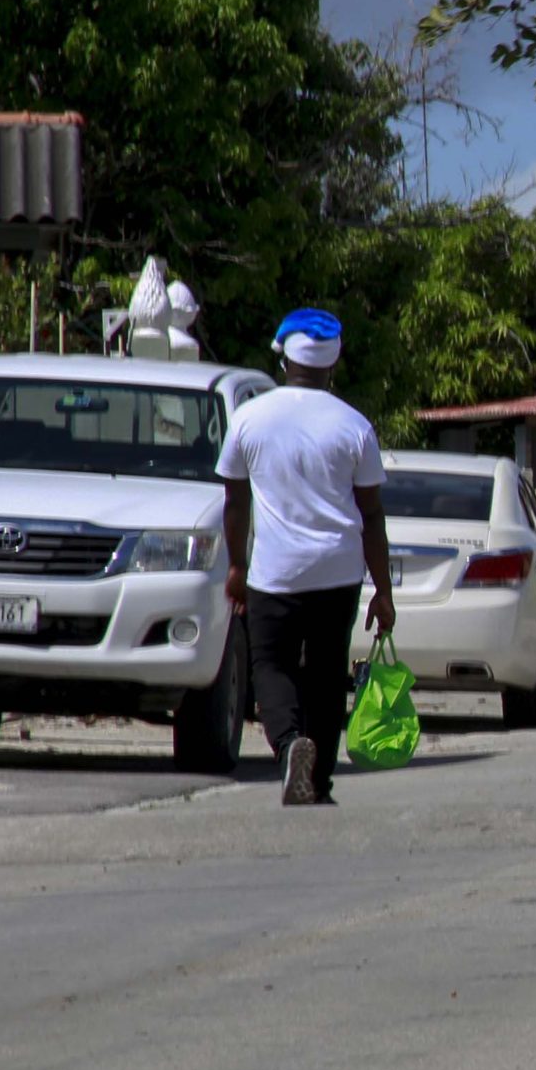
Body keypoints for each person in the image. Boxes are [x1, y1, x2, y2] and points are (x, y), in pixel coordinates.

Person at [217, 309, 396, 806]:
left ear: (283, 359)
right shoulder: (354, 426)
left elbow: (235, 501)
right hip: (338, 571)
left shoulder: (249, 418)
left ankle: (290, 744)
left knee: (271, 666)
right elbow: (372, 515)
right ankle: (318, 783)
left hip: (274, 572)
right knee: (324, 675)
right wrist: (382, 590)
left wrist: (236, 566)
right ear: (332, 364)